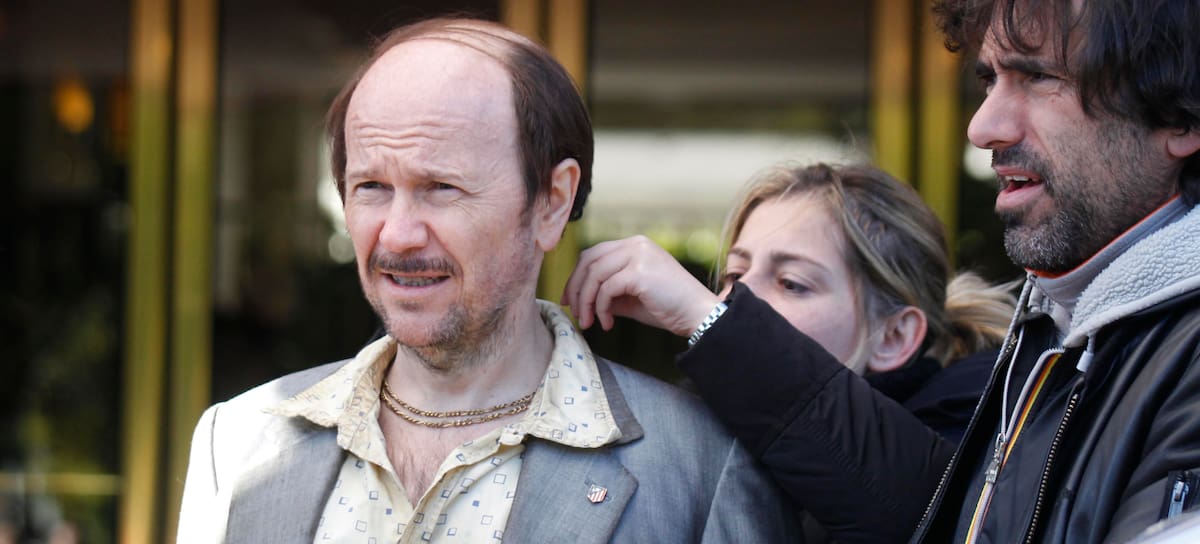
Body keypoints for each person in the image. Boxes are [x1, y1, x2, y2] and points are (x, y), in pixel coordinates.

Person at [570, 0, 1200, 542]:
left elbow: (908, 505)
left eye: (1038, 77)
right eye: (989, 79)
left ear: (1182, 116)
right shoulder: (1048, 351)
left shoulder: (1108, 358)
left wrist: (708, 323)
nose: (983, 126)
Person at [176, 17, 799, 543]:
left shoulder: (701, 464)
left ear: (552, 202)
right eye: (371, 186)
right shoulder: (236, 443)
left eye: (441, 187)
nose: (398, 234)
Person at [565, 162, 1016, 541]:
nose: (737, 300)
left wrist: (707, 319)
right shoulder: (703, 425)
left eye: (791, 283)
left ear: (894, 337)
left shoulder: (983, 428)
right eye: (735, 275)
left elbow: (918, 511)